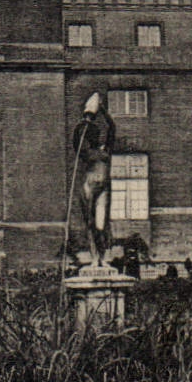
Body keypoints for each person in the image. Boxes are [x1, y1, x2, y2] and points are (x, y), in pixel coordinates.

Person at [70, 91, 116, 266]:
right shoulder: (86, 152)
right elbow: (76, 140)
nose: (95, 136)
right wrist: (84, 121)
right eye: (92, 134)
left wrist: (102, 111)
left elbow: (112, 128)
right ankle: (95, 257)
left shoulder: (106, 150)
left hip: (103, 188)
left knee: (101, 224)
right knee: (90, 224)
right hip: (88, 187)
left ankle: (102, 257)